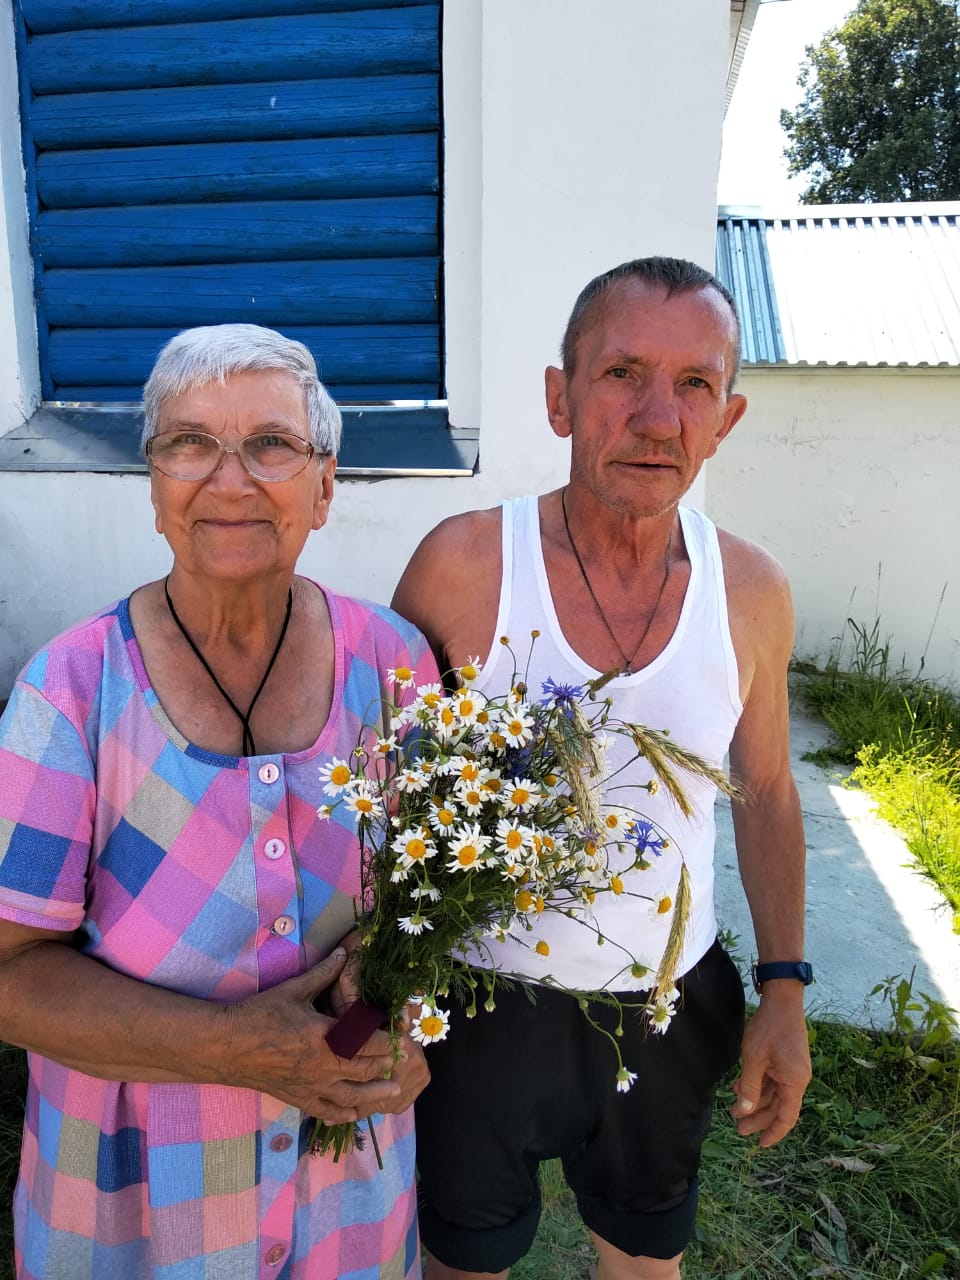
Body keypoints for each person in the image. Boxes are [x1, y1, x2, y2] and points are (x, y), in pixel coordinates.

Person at [392, 257, 813, 1280]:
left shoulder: (749, 590)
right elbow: (390, 795)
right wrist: (387, 990)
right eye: (623, 372)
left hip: (668, 1006)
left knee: (643, 1255)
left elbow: (765, 791)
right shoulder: (464, 567)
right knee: (461, 1260)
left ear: (726, 419)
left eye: (695, 384)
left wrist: (785, 991)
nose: (658, 418)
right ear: (560, 397)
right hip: (476, 1009)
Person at [0, 324, 438, 1279]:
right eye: (190, 443)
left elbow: (426, 901)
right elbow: (9, 974)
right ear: (154, 484)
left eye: (272, 444)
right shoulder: (68, 691)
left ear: (325, 485)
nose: (230, 480)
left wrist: (398, 1016)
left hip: (341, 1197)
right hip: (133, 1207)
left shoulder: (395, 663)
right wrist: (236, 1048)